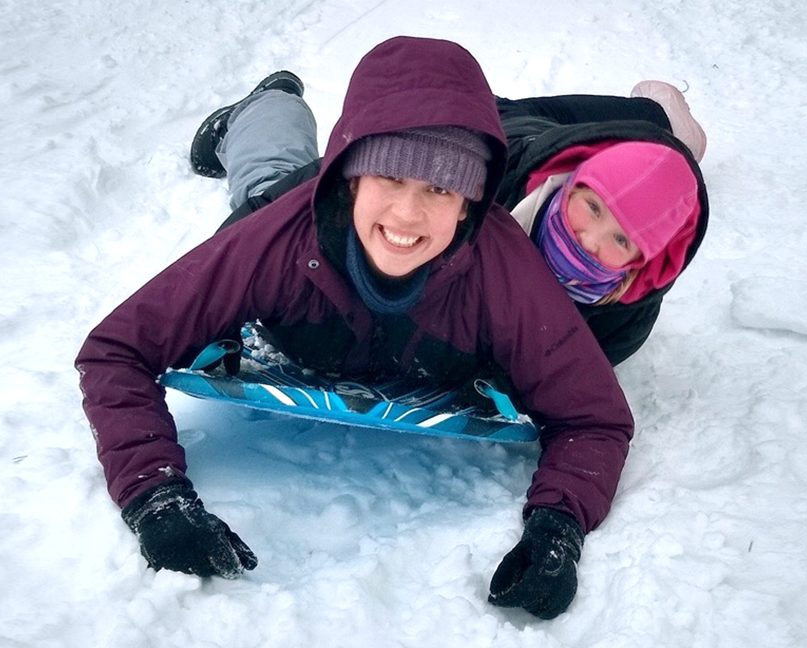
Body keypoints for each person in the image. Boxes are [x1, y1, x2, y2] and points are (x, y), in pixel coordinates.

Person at [75, 36, 635, 621]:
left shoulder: (501, 269)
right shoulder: (274, 240)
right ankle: (266, 104)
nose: (407, 215)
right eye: (389, 178)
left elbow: (593, 417)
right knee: (267, 174)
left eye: (440, 189)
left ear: (469, 204)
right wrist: (156, 497)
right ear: (351, 179)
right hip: (287, 204)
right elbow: (117, 349)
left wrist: (557, 528)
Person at [191, 70, 711, 366]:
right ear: (569, 184)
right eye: (590, 209)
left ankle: (665, 130)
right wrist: (221, 310)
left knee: (676, 151)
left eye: (620, 239)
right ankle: (266, 106)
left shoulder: (626, 311)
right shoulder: (460, 177)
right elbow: (279, 210)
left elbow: (567, 369)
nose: (587, 239)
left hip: (564, 147)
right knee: (276, 187)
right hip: (494, 127)